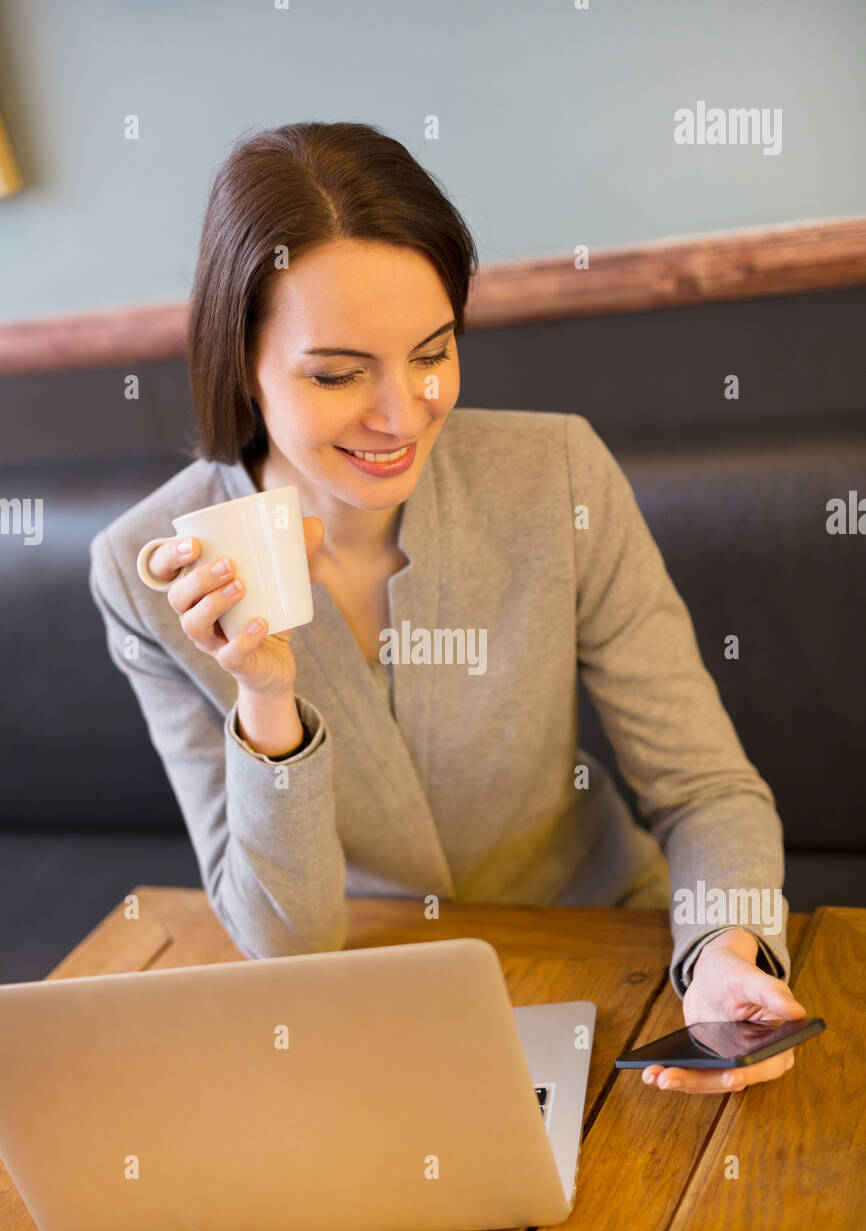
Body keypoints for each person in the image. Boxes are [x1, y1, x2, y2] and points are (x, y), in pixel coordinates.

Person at [89, 120, 805, 1099]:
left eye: (431, 352)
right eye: (337, 372)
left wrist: (724, 950)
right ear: (238, 361)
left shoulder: (554, 475)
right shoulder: (146, 567)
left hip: (611, 948)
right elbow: (286, 939)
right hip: (383, 993)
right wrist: (265, 696)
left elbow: (703, 789)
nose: (402, 412)